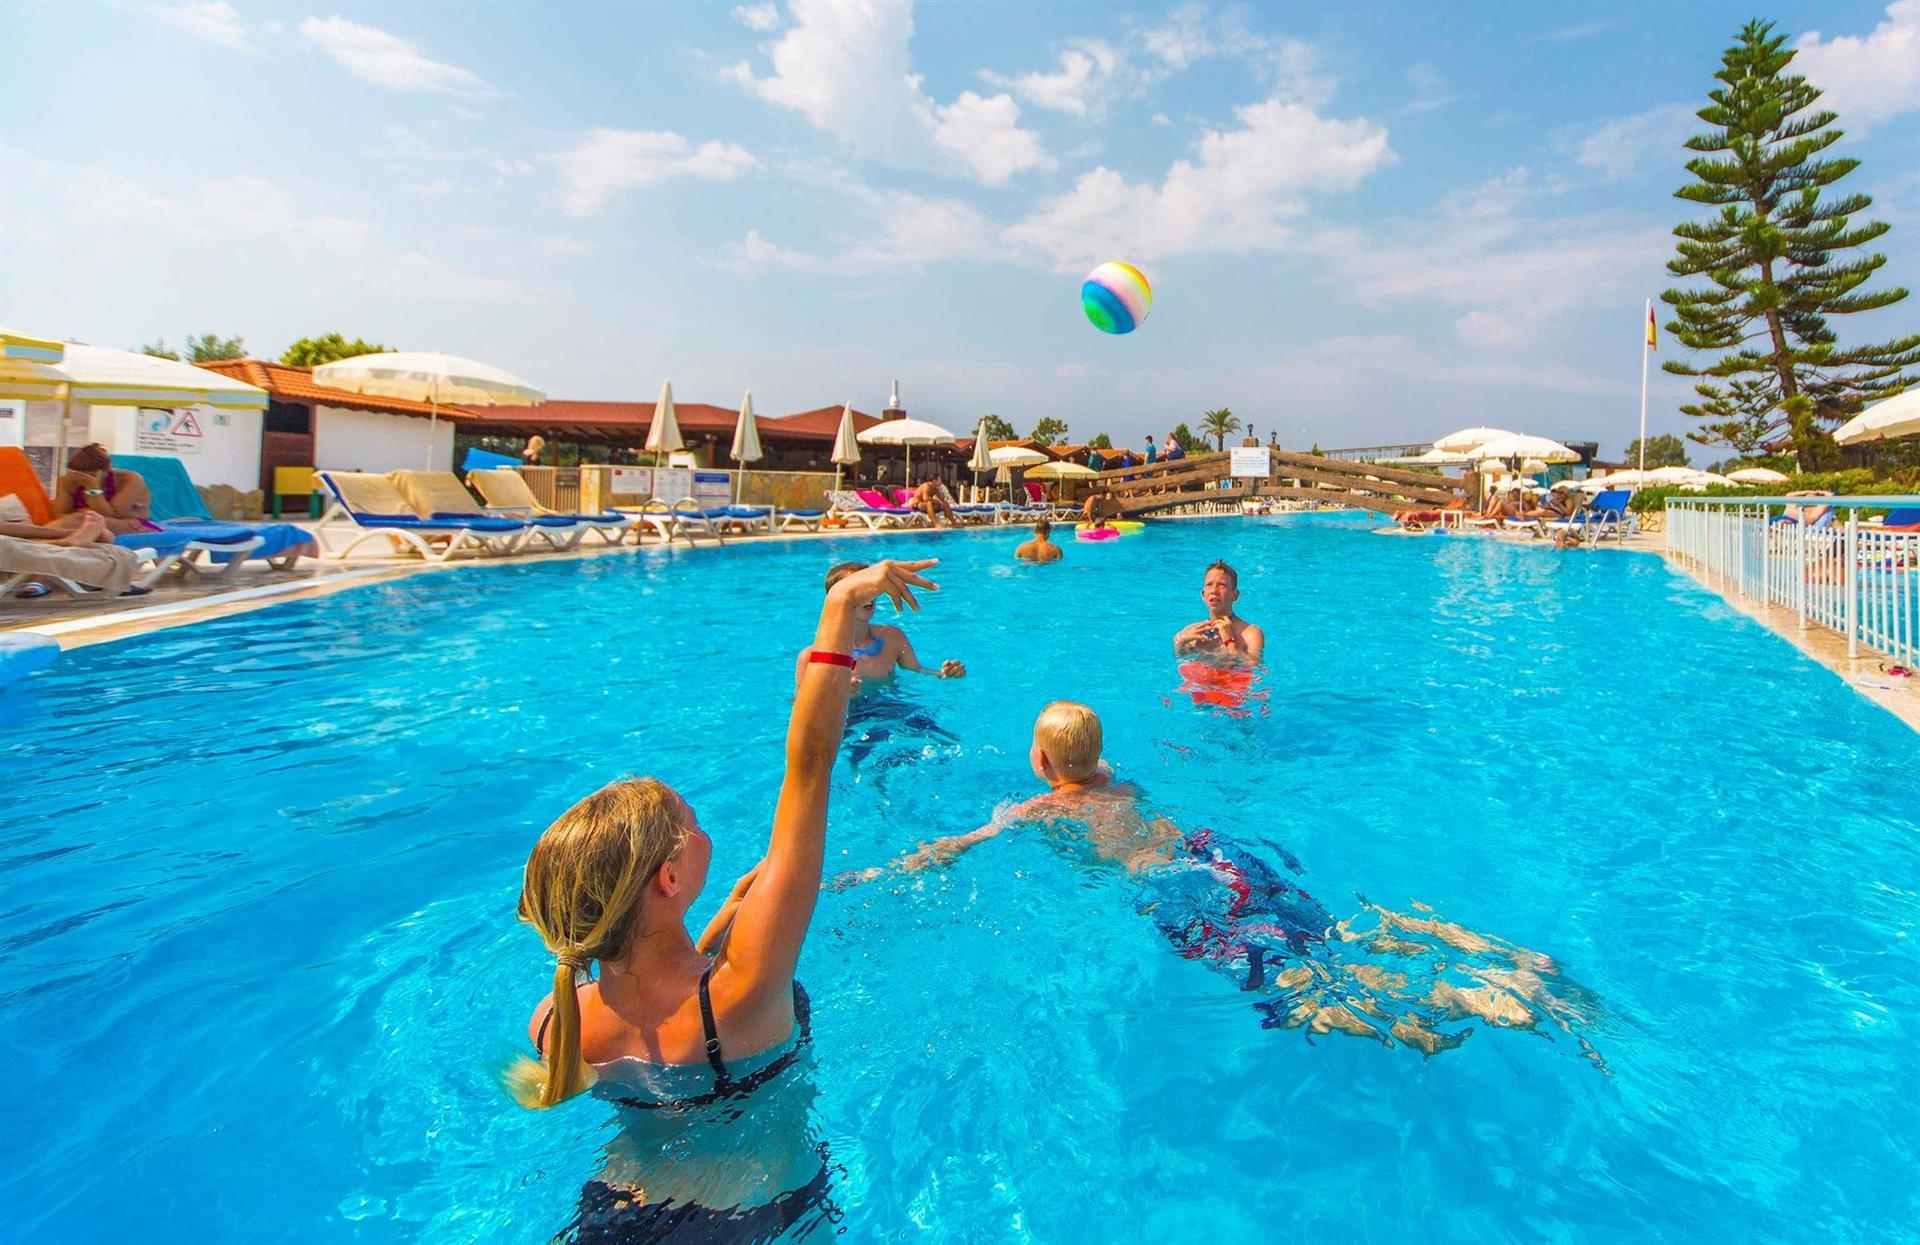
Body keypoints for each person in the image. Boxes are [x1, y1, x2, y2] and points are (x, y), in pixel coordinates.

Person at [510, 559, 940, 1236]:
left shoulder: (555, 1019)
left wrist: (711, 936)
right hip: (753, 1217)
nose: (700, 828)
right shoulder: (741, 991)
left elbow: (653, 1004)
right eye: (692, 823)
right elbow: (810, 766)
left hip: (611, 1212)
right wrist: (841, 608)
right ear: (668, 879)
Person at [852, 703, 1600, 1060]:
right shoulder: (1115, 778)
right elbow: (1091, 761)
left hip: (1176, 889)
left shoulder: (1042, 806)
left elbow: (958, 846)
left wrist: (889, 869)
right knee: (1330, 933)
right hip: (1217, 854)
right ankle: (1480, 949)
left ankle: (1489, 1001)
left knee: (1301, 990)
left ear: (1041, 762)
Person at [792, 561, 964, 689]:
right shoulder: (811, 657)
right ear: (838, 598)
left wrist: (943, 675)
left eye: (870, 589)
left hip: (891, 709)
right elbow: (799, 704)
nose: (869, 597)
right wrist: (836, 697)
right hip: (850, 716)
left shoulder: (892, 637)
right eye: (858, 592)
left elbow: (917, 671)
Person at [50, 443, 161, 536]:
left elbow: (114, 515)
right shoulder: (69, 480)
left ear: (106, 471)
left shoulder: (130, 479)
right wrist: (85, 513)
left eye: (89, 475)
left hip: (132, 525)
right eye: (77, 474)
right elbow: (60, 514)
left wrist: (92, 488)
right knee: (82, 520)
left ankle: (42, 538)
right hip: (82, 522)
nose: (80, 478)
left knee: (84, 520)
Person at [1173, 561, 1264, 663]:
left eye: (1222, 585)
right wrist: (1180, 644)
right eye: (1209, 584)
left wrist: (1229, 641)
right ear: (1203, 595)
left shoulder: (1251, 633)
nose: (1214, 591)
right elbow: (1182, 660)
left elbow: (1255, 666)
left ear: (1235, 595)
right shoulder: (1192, 632)